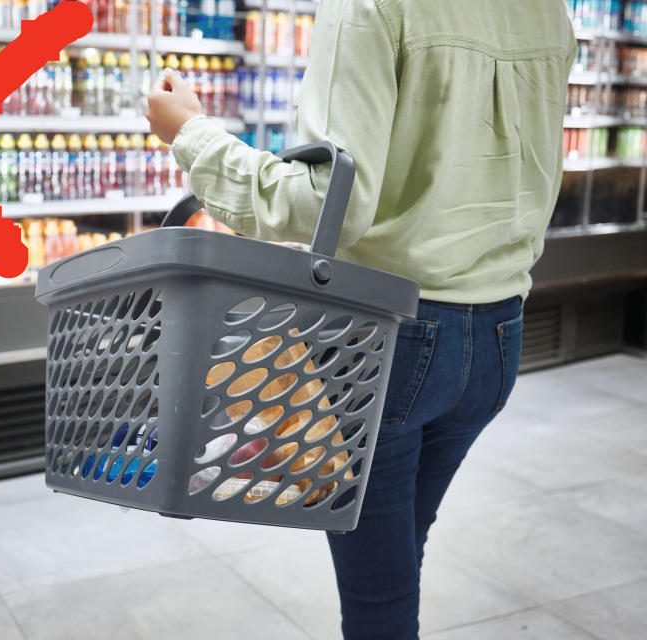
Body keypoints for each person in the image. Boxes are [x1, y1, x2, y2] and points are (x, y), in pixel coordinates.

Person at [145, 1, 576, 638]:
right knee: (399, 555)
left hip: (387, 341)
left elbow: (326, 202)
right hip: (500, 334)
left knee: (378, 597)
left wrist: (192, 134)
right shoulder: (548, 9)